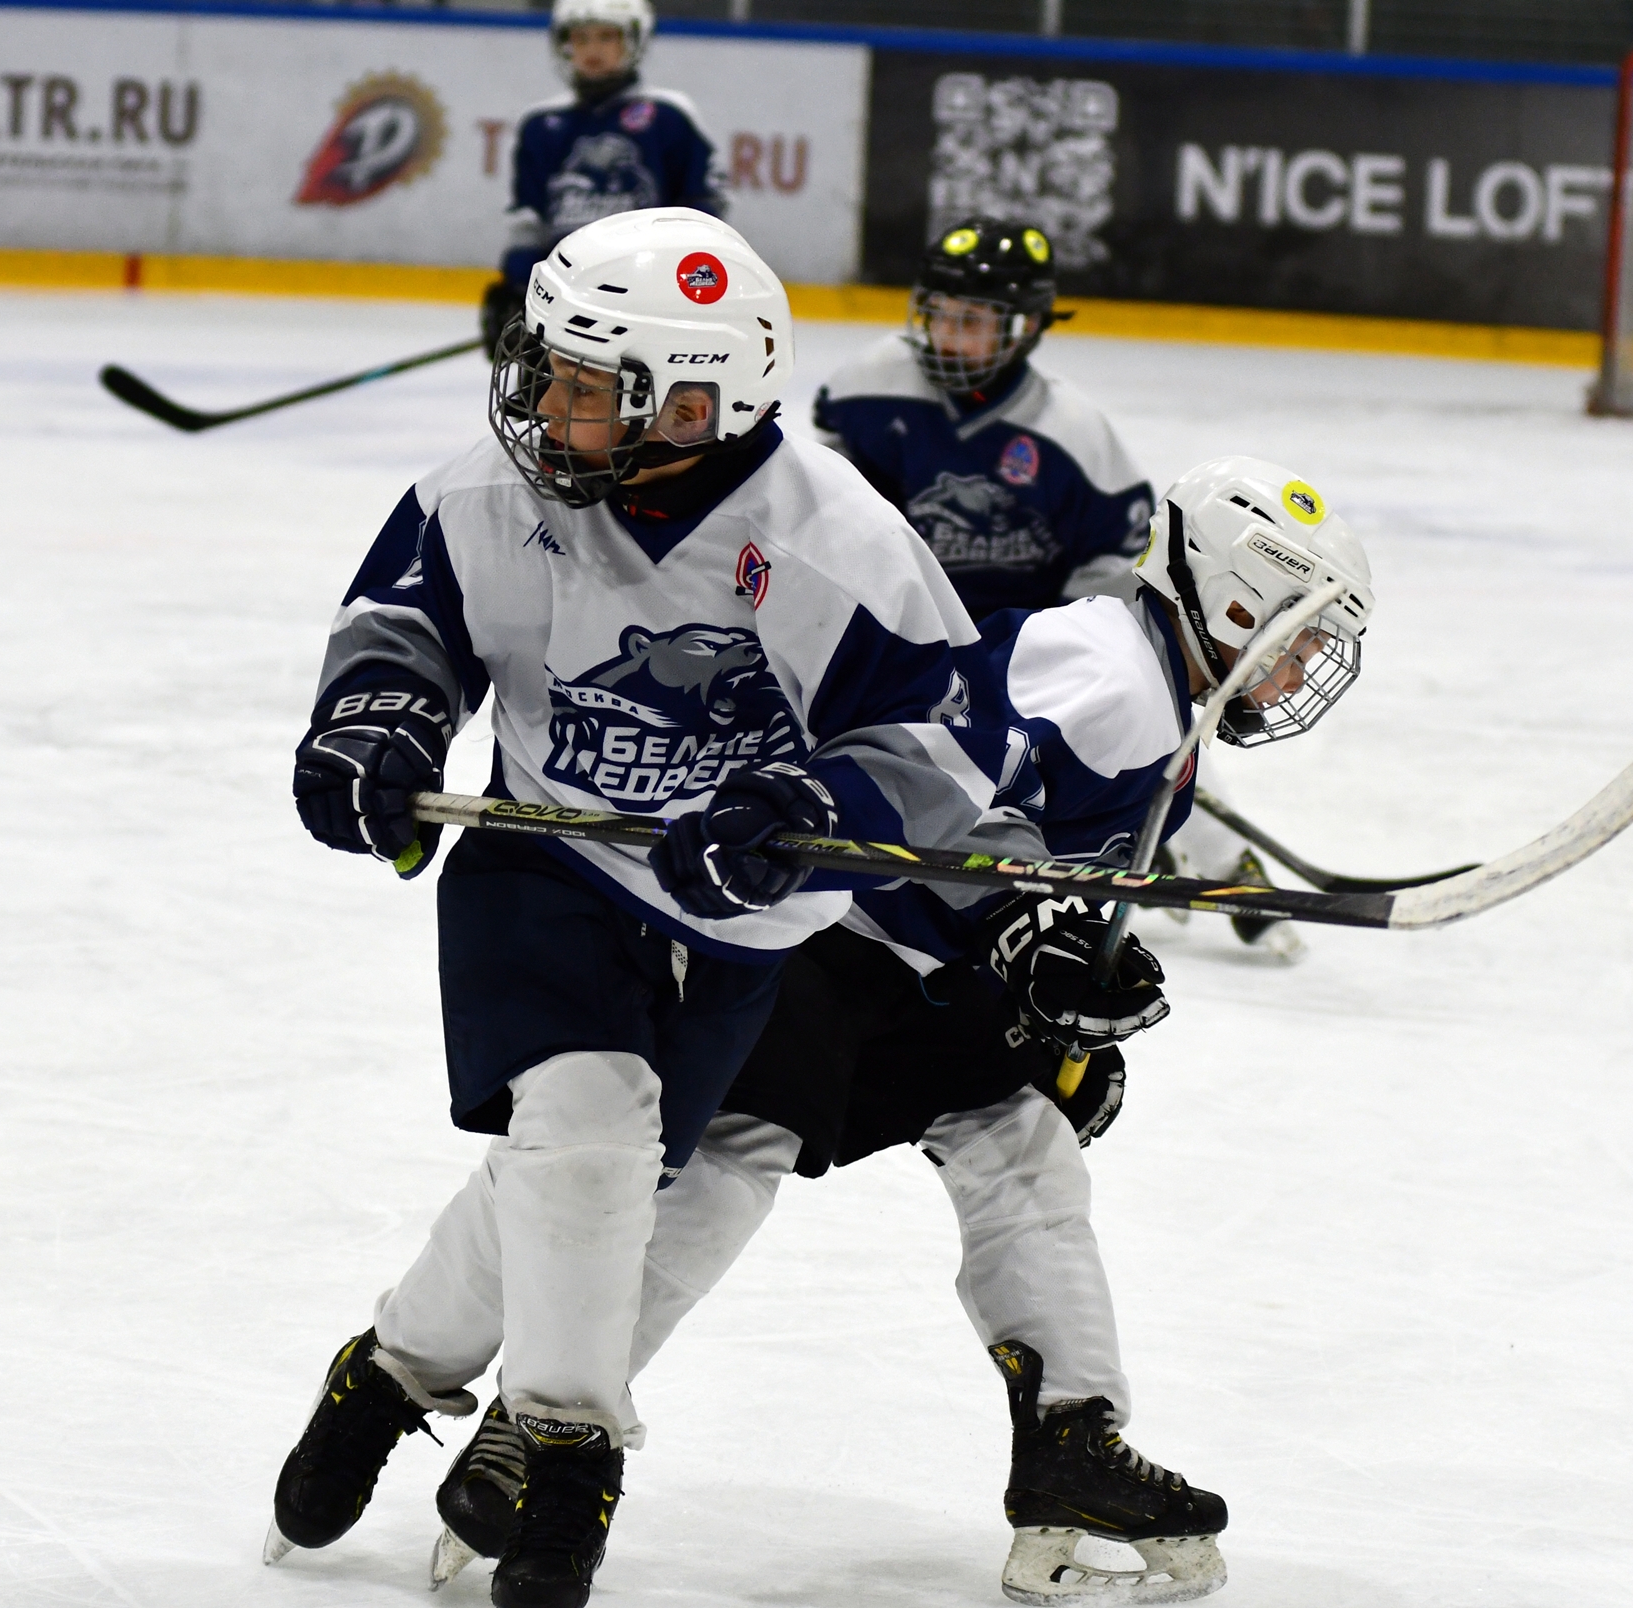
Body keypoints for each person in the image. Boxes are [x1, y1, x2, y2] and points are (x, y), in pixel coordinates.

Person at [263, 207, 1046, 1608]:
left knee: (574, 1188)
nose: (544, 404)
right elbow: (402, 628)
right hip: (545, 869)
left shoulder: (828, 539)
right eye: (549, 368)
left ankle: (388, 1372)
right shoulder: (486, 498)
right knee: (588, 1130)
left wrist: (814, 818)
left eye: (585, 385)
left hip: (739, 928)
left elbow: (935, 741)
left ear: (696, 400)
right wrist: (376, 722)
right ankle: (571, 1447)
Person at [422, 457, 1377, 1605]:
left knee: (1019, 1141)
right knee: (728, 1163)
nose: (1305, 663)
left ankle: (1071, 1444)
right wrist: (1024, 930)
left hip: (917, 964)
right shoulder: (1109, 671)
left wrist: (1063, 997)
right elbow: (966, 786)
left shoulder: (1162, 697)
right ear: (1232, 595)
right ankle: (540, 1432)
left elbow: (1036, 867)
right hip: (839, 939)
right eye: (1298, 632)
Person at [819, 214, 1310, 961]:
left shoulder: (1076, 435)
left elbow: (1127, 564)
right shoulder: (864, 390)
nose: (948, 336)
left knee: (1148, 732)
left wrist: (1059, 653)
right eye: (940, 315)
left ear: (1023, 328)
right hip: (912, 645)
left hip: (1025, 653)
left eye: (973, 321)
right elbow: (829, 518)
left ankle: (1221, 863)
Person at [481, 0, 725, 355]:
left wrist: (681, 289)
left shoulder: (670, 117)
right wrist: (520, 288)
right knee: (545, 405)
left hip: (646, 298)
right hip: (566, 296)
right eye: (581, 39)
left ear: (635, 42)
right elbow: (528, 218)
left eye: (607, 37)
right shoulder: (540, 125)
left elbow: (703, 212)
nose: (592, 50)